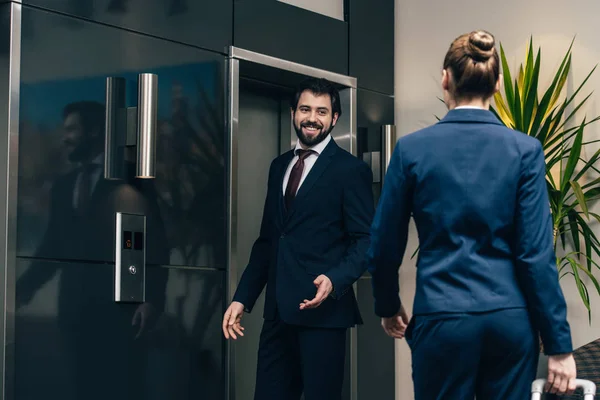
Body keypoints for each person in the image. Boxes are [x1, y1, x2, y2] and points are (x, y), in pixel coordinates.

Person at [367, 30, 577, 399]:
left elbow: (384, 243)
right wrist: (558, 344)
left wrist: (388, 305)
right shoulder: (525, 150)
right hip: (509, 322)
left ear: (446, 78)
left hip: (442, 318)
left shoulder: (411, 150)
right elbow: (535, 255)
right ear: (497, 84)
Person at [222, 77, 374, 400]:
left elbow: (366, 241)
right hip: (278, 316)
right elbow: (268, 241)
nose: (312, 118)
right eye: (305, 109)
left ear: (334, 119)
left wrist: (334, 280)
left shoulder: (350, 171)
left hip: (324, 316)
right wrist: (242, 297)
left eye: (322, 111)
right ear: (293, 112)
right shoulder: (279, 166)